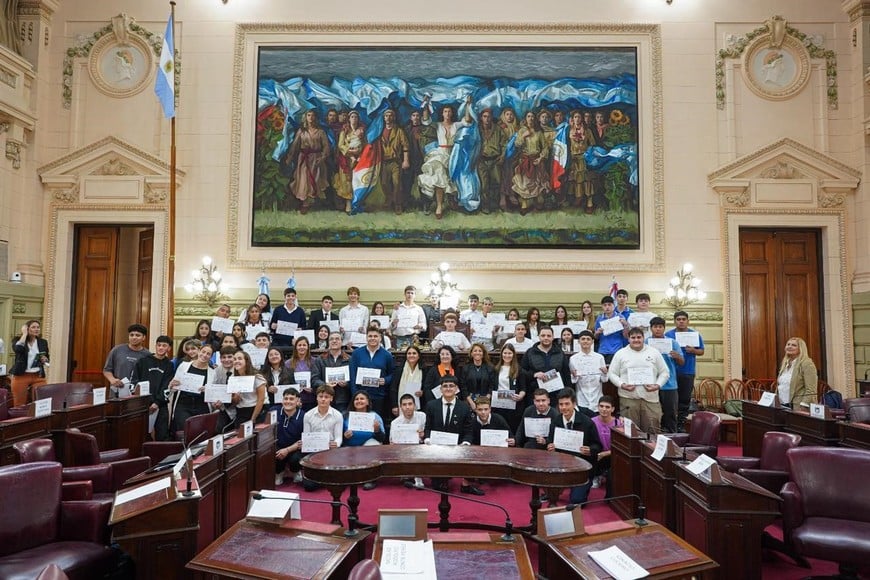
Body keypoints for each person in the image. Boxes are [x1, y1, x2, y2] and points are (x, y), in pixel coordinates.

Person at [418, 96, 474, 219]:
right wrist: (426, 104)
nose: (447, 113)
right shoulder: (437, 125)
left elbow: (468, 121)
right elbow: (426, 120)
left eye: (449, 111)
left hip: (454, 154)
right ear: (442, 113)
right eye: (445, 111)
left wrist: (468, 105)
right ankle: (439, 205)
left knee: (453, 179)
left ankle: (452, 201)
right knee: (439, 178)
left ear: (452, 113)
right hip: (440, 153)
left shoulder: (456, 125)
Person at [608, 327, 669, 434]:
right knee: (630, 433)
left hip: (651, 400)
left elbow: (665, 372)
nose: (636, 340)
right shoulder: (620, 353)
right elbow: (612, 374)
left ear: (643, 338)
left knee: (652, 432)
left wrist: (657, 385)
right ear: (628, 339)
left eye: (639, 337)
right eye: (633, 337)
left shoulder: (654, 352)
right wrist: (622, 385)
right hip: (628, 399)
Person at [546, 388, 602, 505]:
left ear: (574, 404)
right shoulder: (556, 421)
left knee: (576, 502)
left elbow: (597, 445)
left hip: (581, 467)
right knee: (551, 495)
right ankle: (559, 486)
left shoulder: (587, 422)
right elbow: (550, 440)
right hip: (561, 464)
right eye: (561, 404)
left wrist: (590, 450)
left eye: (567, 404)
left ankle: (583, 486)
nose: (564, 407)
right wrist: (550, 446)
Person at [423, 376, 474, 493]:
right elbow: (428, 427)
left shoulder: (464, 407)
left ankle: (465, 485)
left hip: (458, 447)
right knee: (438, 486)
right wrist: (427, 438)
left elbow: (468, 431)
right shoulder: (431, 405)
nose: (448, 388)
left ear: (456, 389)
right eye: (445, 386)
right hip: (436, 448)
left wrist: (465, 443)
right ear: (440, 389)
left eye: (451, 386)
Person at [665, 311, 706, 429]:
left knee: (684, 400)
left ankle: (681, 424)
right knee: (670, 400)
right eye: (678, 319)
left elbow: (702, 351)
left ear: (688, 321)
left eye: (683, 319)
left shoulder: (695, 334)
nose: (681, 321)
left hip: (688, 372)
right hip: (671, 372)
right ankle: (669, 425)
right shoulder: (668, 335)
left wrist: (694, 350)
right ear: (674, 321)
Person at [286, 109, 330, 213]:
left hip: (316, 158)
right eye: (308, 115)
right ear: (305, 117)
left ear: (315, 118)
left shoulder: (320, 132)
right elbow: (294, 146)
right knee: (303, 179)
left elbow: (326, 147)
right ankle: (305, 203)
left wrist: (323, 157)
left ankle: (313, 201)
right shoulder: (301, 131)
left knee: (315, 180)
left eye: (313, 115)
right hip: (304, 158)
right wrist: (290, 157)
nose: (311, 117)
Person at [132, 335, 174, 441]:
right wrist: (146, 401)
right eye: (158, 345)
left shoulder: (169, 365)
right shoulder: (143, 361)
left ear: (169, 348)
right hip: (143, 404)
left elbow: (167, 385)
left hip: (161, 405)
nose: (160, 348)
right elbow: (135, 381)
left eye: (164, 346)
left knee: (162, 435)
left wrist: (157, 403)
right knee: (142, 435)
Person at [301, 384, 343, 491]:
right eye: (320, 396)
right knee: (309, 487)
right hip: (314, 452)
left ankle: (326, 475)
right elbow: (307, 435)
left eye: (326, 397)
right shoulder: (308, 415)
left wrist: (336, 444)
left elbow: (339, 437)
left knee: (339, 483)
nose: (323, 399)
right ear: (316, 397)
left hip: (331, 451)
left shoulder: (337, 415)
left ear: (331, 398)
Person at [349, 325, 395, 421]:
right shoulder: (357, 353)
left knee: (376, 422)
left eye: (375, 336)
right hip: (360, 396)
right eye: (370, 336)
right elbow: (352, 375)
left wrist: (385, 380)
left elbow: (392, 374)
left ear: (380, 338)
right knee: (360, 422)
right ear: (366, 337)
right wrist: (355, 395)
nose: (372, 338)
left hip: (379, 396)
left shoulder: (387, 355)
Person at [342, 391, 387, 489]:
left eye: (362, 399)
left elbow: (382, 438)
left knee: (373, 444)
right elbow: (338, 436)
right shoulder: (345, 416)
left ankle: (371, 478)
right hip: (349, 449)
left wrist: (377, 430)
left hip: (368, 450)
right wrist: (344, 436)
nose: (359, 401)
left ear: (367, 402)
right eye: (356, 399)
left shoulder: (375, 416)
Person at [168, 343, 214, 433]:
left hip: (202, 405)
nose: (204, 355)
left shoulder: (213, 373)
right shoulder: (184, 366)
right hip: (183, 404)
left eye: (208, 354)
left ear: (211, 357)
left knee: (199, 433)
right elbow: (173, 387)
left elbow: (213, 396)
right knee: (184, 431)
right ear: (199, 351)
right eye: (203, 352)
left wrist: (208, 390)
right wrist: (172, 385)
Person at [511, 110, 550, 215]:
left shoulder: (539, 132)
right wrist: (524, 136)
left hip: (536, 160)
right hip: (525, 160)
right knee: (524, 183)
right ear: (525, 118)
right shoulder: (521, 131)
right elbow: (517, 145)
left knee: (537, 183)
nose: (531, 118)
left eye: (532, 116)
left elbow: (545, 147)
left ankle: (538, 202)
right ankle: (524, 204)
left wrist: (541, 158)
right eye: (529, 116)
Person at [521, 325, 571, 407]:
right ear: (538, 337)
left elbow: (566, 374)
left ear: (553, 337)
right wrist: (534, 375)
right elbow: (522, 372)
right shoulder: (530, 352)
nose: (546, 338)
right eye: (543, 335)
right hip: (536, 395)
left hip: (557, 395)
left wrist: (568, 394)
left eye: (549, 336)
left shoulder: (560, 352)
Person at [648, 317, 683, 433]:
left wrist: (677, 356)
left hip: (670, 384)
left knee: (670, 414)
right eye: (655, 327)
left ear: (664, 328)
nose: (658, 329)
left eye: (660, 327)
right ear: (651, 328)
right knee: (653, 414)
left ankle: (673, 439)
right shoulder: (646, 342)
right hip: (650, 385)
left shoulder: (673, 343)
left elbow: (682, 362)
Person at [378, 108, 411, 214]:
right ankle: (389, 197)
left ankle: (398, 204)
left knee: (397, 183)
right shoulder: (380, 131)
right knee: (384, 183)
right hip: (383, 162)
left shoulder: (399, 131)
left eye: (390, 115)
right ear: (383, 118)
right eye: (386, 116)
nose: (388, 118)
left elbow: (405, 146)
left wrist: (405, 160)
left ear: (394, 117)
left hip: (395, 161)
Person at [103, 323, 151, 397]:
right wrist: (112, 379)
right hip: (117, 393)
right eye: (131, 335)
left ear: (144, 337)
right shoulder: (117, 350)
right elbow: (107, 370)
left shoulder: (148, 355)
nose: (134, 337)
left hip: (137, 395)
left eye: (138, 335)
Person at [333, 110, 366, 213]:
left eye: (356, 117)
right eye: (352, 117)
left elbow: (364, 144)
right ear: (349, 119)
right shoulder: (345, 131)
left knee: (357, 181)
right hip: (346, 160)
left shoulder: (361, 131)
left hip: (359, 159)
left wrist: (359, 152)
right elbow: (340, 145)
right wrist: (350, 152)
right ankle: (348, 203)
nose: (354, 119)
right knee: (346, 181)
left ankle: (357, 202)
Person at [9, 320, 49, 406]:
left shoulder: (43, 342)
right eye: (33, 327)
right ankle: (20, 419)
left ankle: (38, 419)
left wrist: (45, 359)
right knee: (19, 404)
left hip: (38, 376)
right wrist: (24, 334)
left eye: (38, 327)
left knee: (42, 402)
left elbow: (47, 356)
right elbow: (18, 349)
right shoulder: (18, 340)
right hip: (21, 376)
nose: (36, 329)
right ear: (27, 329)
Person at [390, 393, 426, 489]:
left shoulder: (422, 416)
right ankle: (407, 474)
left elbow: (427, 435)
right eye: (404, 405)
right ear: (400, 407)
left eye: (410, 404)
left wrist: (423, 434)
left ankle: (418, 478)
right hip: (403, 449)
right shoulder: (395, 422)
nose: (407, 407)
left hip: (420, 447)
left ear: (414, 405)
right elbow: (392, 442)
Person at [311, 331, 351, 413]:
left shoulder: (350, 359)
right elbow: (314, 380)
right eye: (331, 339)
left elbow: (354, 379)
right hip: (325, 399)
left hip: (343, 400)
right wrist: (325, 385)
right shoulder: (320, 359)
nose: (334, 341)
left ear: (342, 342)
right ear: (328, 342)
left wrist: (347, 383)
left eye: (337, 339)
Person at [569, 330, 608, 415]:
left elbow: (604, 380)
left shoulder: (599, 357)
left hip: (597, 398)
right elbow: (573, 381)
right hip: (581, 398)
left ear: (592, 341)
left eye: (588, 339)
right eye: (583, 339)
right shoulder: (573, 358)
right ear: (579, 341)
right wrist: (574, 376)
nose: (585, 341)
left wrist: (605, 373)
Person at [493, 343, 529, 432]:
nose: (507, 355)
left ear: (513, 355)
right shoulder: (496, 369)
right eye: (505, 353)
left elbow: (523, 388)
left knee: (512, 427)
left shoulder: (519, 370)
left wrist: (521, 396)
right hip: (498, 405)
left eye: (509, 353)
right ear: (501, 354)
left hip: (513, 404)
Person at [591, 395, 622, 495]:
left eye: (607, 407)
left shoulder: (619, 423)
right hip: (597, 454)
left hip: (612, 454)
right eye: (601, 406)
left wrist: (605, 454)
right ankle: (596, 476)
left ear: (612, 409)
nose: (604, 409)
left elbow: (622, 447)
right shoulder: (591, 422)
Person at [476, 108, 506, 214]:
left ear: (491, 117)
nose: (487, 119)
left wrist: (502, 156)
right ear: (481, 118)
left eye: (488, 116)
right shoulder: (477, 130)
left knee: (497, 182)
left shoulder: (498, 129)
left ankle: (495, 203)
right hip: (482, 160)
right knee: (484, 184)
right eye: (484, 116)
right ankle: (485, 205)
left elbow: (504, 144)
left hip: (495, 160)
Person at [776, 337, 818, 408]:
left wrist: (803, 406)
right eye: (788, 344)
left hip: (798, 407)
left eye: (794, 345)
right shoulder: (785, 363)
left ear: (801, 349)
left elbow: (811, 390)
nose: (789, 346)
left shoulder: (807, 363)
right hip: (782, 405)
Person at [275, 387, 305, 486]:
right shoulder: (273, 412)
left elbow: (303, 440)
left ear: (298, 401)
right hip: (278, 445)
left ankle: (296, 471)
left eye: (291, 399)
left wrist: (287, 450)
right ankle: (279, 472)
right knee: (271, 452)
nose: (288, 401)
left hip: (295, 447)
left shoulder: (304, 416)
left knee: (295, 459)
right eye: (286, 398)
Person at [567, 109, 595, 211]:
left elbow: (592, 144)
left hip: (584, 158)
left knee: (587, 180)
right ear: (572, 119)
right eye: (575, 117)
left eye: (579, 117)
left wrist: (589, 155)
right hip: (574, 159)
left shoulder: (587, 131)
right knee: (576, 181)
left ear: (582, 118)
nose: (577, 119)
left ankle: (589, 202)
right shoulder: (569, 131)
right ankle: (578, 198)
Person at [232, 350, 267, 425]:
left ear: (246, 361)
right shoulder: (234, 378)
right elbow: (235, 402)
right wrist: (236, 397)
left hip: (256, 410)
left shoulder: (257, 377)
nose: (236, 361)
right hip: (241, 411)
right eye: (234, 359)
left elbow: (261, 399)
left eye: (239, 359)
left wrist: (253, 418)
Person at [389, 344, 425, 416]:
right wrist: (394, 405)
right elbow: (393, 388)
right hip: (401, 405)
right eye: (409, 353)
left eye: (414, 353)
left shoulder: (424, 370)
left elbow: (426, 387)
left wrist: (422, 392)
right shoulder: (399, 370)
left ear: (418, 356)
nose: (411, 355)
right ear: (406, 356)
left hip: (418, 405)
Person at [459, 343, 496, 410]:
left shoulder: (490, 368)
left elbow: (492, 385)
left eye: (480, 351)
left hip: (486, 399)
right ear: (471, 353)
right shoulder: (466, 368)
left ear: (483, 353)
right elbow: (463, 386)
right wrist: (471, 402)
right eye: (475, 351)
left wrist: (485, 401)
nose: (477, 353)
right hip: (469, 400)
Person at [594, 296, 628, 364]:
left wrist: (625, 325)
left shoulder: (620, 317)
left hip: (617, 350)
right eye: (605, 305)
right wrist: (597, 333)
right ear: (602, 307)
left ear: (614, 305)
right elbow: (595, 337)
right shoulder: (599, 318)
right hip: (603, 350)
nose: (607, 307)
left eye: (609, 305)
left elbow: (626, 336)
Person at [285, 335, 315, 411]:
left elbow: (316, 377)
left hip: (311, 397)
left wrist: (313, 388)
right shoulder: (288, 363)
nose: (302, 347)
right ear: (296, 347)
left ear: (308, 347)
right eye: (299, 345)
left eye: (304, 345)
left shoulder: (314, 361)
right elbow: (286, 380)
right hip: (295, 398)